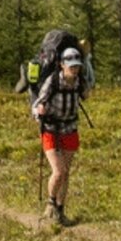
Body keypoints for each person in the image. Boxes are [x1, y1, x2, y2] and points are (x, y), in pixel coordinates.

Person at [29, 40, 91, 227]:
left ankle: (61, 211)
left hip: (70, 128)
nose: (74, 69)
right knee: (59, 171)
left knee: (66, 173)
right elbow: (38, 103)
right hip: (50, 130)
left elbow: (87, 95)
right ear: (62, 65)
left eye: (77, 66)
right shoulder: (53, 81)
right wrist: (39, 110)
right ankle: (50, 203)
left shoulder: (80, 81)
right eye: (71, 66)